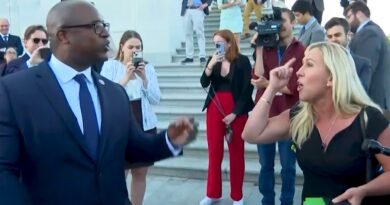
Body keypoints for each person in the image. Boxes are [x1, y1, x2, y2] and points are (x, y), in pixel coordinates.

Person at [0, 1, 198, 205]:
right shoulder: (14, 91)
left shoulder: (115, 93)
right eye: (96, 27)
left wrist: (169, 140)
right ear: (63, 35)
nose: (105, 34)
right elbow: (4, 172)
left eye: (105, 26)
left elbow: (134, 148)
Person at [242, 42, 390, 205]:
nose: (299, 72)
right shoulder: (300, 115)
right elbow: (251, 134)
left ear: (332, 78)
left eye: (309, 64)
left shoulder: (369, 119)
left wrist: (364, 190)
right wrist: (271, 88)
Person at [251, 7, 305, 205]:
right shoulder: (267, 46)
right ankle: (267, 201)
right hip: (265, 115)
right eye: (277, 21)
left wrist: (269, 86)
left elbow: (298, 88)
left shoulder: (301, 50)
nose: (280, 25)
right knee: (265, 165)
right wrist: (259, 48)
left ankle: (287, 201)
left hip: (289, 117)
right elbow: (257, 77)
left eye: (283, 21)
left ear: (293, 22)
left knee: (288, 167)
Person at [100, 30, 161, 205]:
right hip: (120, 126)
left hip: (145, 125)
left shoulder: (148, 68)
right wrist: (125, 78)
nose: (135, 50)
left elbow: (156, 98)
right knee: (121, 172)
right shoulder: (110, 66)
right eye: (131, 47)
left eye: (138, 47)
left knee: (140, 172)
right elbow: (105, 97)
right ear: (122, 47)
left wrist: (144, 80)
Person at [200, 29, 254, 205]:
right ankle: (212, 193)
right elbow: (203, 83)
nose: (217, 46)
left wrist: (235, 113)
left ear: (229, 43)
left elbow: (247, 89)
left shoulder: (243, 61)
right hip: (215, 109)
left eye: (220, 43)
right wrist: (210, 65)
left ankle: (237, 196)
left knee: (237, 154)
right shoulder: (213, 60)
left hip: (236, 111)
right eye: (215, 43)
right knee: (214, 153)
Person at [344, 1, 390, 110]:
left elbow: (363, 71)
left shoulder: (368, 33)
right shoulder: (374, 30)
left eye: (349, 17)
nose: (348, 22)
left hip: (371, 102)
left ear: (359, 14)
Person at [324, 17, 371, 92]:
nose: (333, 39)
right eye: (330, 37)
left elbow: (361, 92)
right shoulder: (322, 61)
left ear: (349, 36)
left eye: (337, 35)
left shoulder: (362, 64)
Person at [180, 0, 212, 64]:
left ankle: (202, 56)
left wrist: (205, 5)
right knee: (187, 34)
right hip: (187, 10)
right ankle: (189, 57)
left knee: (200, 34)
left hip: (198, 9)